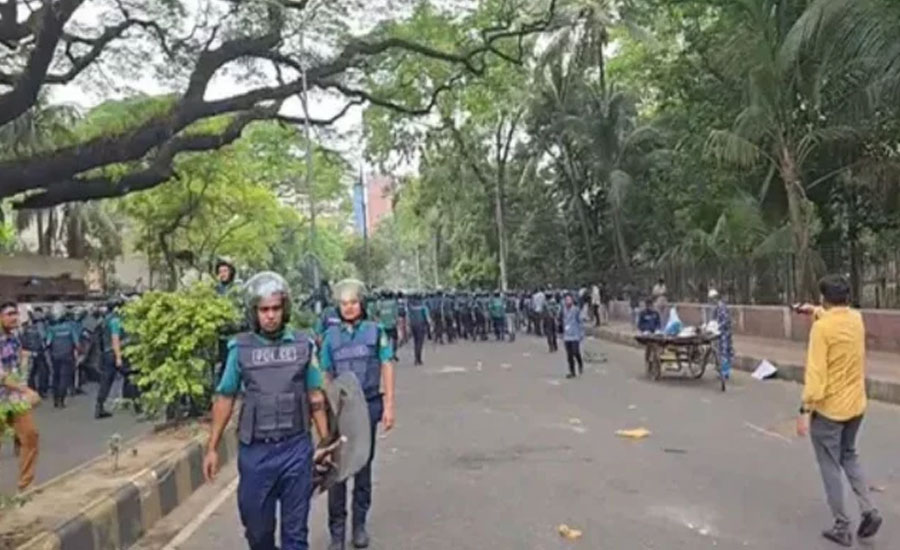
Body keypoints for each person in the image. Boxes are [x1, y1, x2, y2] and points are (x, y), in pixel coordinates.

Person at [203, 271, 329, 550]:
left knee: (295, 535)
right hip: (256, 453)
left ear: (284, 310)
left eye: (275, 309)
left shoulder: (302, 346)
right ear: (254, 312)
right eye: (264, 310)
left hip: (296, 449)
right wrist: (212, 447)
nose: (270, 315)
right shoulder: (240, 349)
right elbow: (225, 397)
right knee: (258, 534)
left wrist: (326, 442)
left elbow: (315, 395)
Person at [796, 275, 882, 546]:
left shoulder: (821, 330)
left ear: (825, 298)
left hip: (830, 411)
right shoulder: (855, 319)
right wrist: (814, 311)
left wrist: (804, 410)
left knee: (830, 466)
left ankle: (842, 525)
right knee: (849, 455)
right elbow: (835, 316)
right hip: (856, 406)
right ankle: (869, 510)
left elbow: (816, 374)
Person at [320, 279, 395, 550]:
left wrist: (389, 406)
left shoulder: (376, 332)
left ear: (362, 304)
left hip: (369, 405)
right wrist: (326, 413)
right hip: (341, 411)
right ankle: (337, 533)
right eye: (344, 303)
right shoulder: (330, 337)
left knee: (362, 466)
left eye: (353, 302)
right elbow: (326, 375)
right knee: (337, 470)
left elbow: (387, 365)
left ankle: (359, 526)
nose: (349, 308)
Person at [1, 299, 40, 491]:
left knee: (31, 435)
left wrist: (24, 362)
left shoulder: (15, 339)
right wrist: (24, 390)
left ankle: (26, 484)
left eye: (15, 313)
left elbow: (16, 368)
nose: (14, 317)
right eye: (9, 314)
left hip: (14, 398)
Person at [95, 298, 126, 419]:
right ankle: (136, 404)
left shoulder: (105, 320)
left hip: (106, 353)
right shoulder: (115, 321)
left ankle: (99, 406)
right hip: (113, 353)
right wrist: (118, 357)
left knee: (106, 381)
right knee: (131, 375)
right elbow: (115, 339)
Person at [46, 304, 78, 408]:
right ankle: (61, 400)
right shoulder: (70, 327)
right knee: (64, 378)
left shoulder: (51, 329)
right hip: (67, 355)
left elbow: (48, 343)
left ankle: (56, 399)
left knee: (56, 376)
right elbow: (76, 342)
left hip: (55, 355)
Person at [22, 307, 49, 398]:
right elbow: (43, 337)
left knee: (31, 373)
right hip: (39, 351)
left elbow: (22, 340)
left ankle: (32, 390)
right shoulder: (40, 325)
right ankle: (42, 391)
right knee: (43, 371)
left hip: (29, 352)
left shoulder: (25, 327)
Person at [708, 289, 733, 380]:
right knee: (721, 352)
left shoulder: (722, 307)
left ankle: (725, 373)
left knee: (724, 353)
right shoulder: (716, 308)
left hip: (725, 333)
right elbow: (713, 320)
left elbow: (726, 321)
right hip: (720, 333)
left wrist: (718, 327)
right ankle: (723, 371)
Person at [561, 293, 584, 378]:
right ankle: (572, 371)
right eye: (566, 300)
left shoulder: (576, 310)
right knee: (569, 355)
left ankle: (580, 363)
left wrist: (581, 333)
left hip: (575, 334)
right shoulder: (563, 310)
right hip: (567, 336)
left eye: (569, 299)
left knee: (575, 352)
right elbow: (562, 321)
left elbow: (580, 322)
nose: (568, 301)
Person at [406, 293, 429, 366]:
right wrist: (429, 324)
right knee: (420, 342)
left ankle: (416, 358)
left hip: (413, 325)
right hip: (421, 325)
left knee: (415, 342)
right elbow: (427, 316)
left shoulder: (410, 306)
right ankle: (418, 358)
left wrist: (408, 325)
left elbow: (407, 316)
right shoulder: (423, 306)